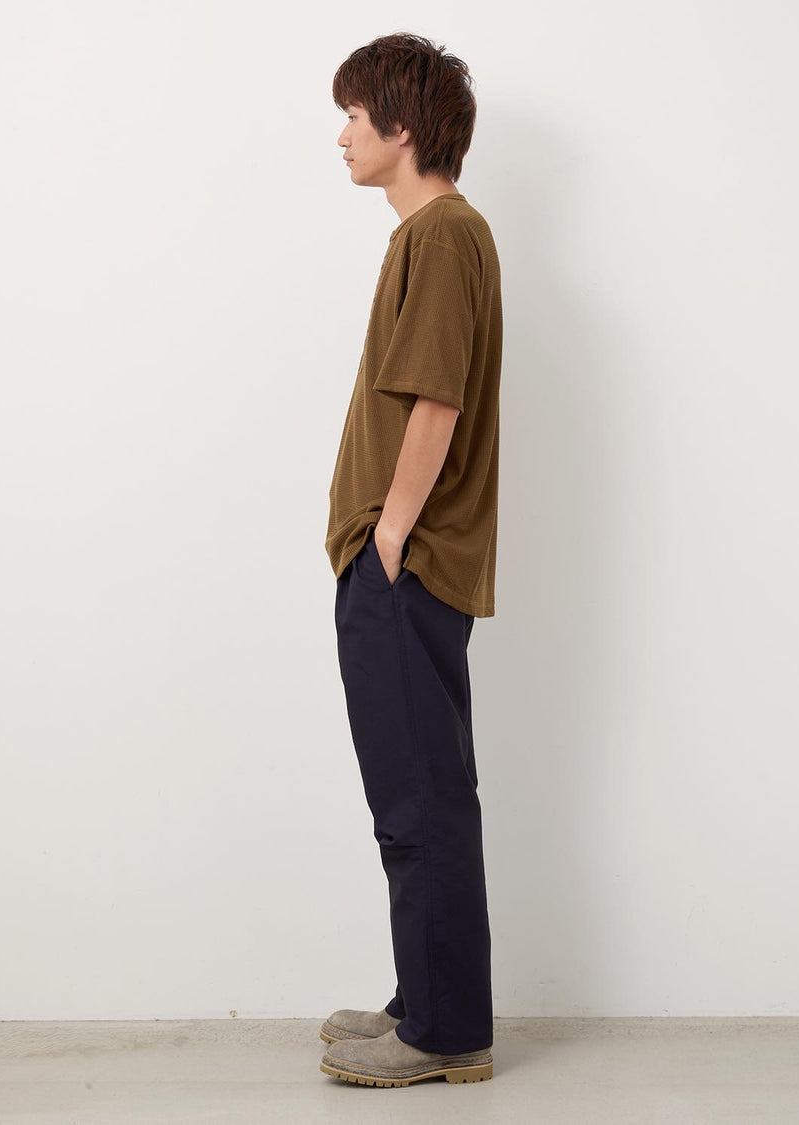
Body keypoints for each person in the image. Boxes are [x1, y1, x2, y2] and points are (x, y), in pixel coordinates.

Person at [321, 31, 503, 1087]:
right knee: (420, 787)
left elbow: (437, 399)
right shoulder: (437, 235)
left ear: (401, 124)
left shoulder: (440, 236)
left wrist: (388, 535)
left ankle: (442, 1033)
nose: (342, 135)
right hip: (404, 563)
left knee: (418, 796)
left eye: (353, 115)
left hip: (406, 563)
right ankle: (427, 1000)